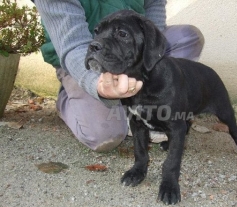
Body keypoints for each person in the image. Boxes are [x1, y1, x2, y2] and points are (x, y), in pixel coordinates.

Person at [33, 0, 205, 152]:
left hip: (131, 51)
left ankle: (151, 104)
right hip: (80, 57)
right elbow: (73, 45)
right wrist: (97, 85)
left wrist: (148, 55)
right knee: (105, 135)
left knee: (188, 38)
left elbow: (154, 3)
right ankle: (69, 96)